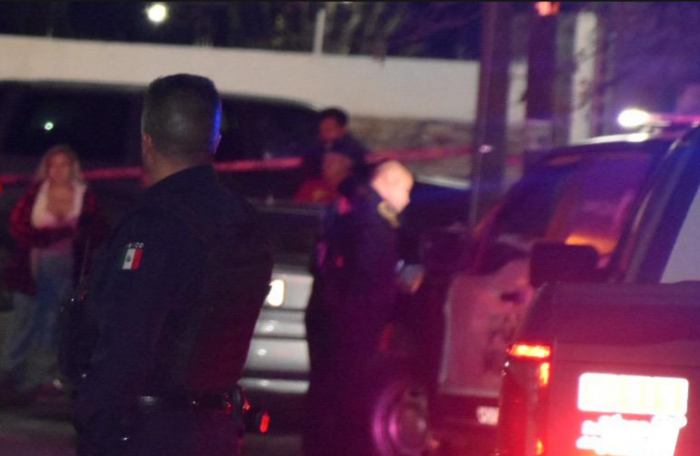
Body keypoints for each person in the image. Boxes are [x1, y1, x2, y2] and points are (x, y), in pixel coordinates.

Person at [72, 74, 273, 456]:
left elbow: (124, 347)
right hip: (218, 430)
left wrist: (95, 428)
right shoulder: (242, 219)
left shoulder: (155, 226)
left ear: (146, 140)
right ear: (215, 141)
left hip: (148, 433)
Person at [303, 160, 414, 456]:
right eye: (406, 190)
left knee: (325, 389)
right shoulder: (373, 220)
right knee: (345, 390)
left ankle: (319, 446)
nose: (407, 199)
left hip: (334, 314)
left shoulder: (355, 212)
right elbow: (367, 277)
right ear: (389, 182)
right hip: (353, 320)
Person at [0, 144, 105, 405]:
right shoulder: (36, 193)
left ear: (73, 168)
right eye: (53, 165)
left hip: (65, 268)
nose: (58, 171)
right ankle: (11, 374)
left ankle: (40, 378)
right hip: (31, 268)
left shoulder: (84, 197)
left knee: (51, 322)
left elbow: (96, 231)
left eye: (63, 165)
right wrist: (49, 236)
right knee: (23, 320)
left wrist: (76, 236)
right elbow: (17, 225)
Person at [296, 108, 370, 204]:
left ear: (342, 130)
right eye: (321, 130)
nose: (324, 134)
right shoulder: (315, 148)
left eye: (329, 130)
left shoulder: (355, 152)